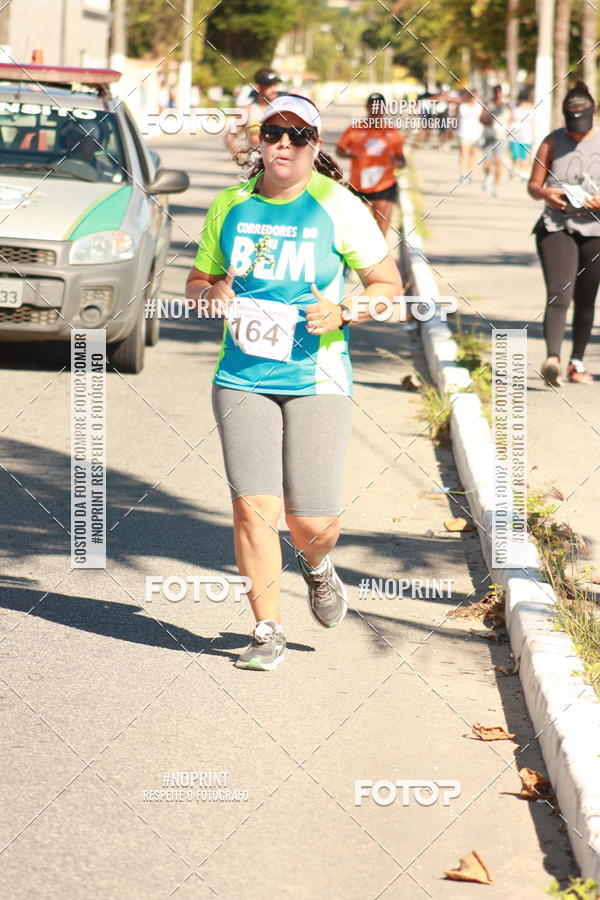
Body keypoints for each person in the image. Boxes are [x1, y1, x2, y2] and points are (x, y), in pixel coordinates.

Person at [186, 93, 403, 670]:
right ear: (260, 141)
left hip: (317, 378)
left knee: (312, 524)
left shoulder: (339, 205)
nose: (284, 144)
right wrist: (212, 293)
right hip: (241, 377)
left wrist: (345, 311)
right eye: (275, 134)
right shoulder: (229, 204)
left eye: (298, 136)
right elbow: (198, 279)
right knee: (252, 509)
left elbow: (387, 286)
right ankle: (265, 630)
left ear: (314, 147)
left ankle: (317, 566)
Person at [528, 81, 600, 385]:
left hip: (595, 229)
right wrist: (546, 194)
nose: (576, 134)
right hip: (557, 226)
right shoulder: (552, 141)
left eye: (581, 130)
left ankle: (577, 362)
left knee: (586, 300)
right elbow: (533, 185)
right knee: (559, 292)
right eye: (572, 129)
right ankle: (553, 359)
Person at [336, 92, 406, 235]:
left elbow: (402, 160)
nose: (375, 111)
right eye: (372, 106)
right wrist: (351, 154)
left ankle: (381, 256)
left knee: (381, 234)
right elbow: (339, 150)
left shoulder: (393, 132)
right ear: (367, 107)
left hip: (384, 186)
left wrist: (397, 162)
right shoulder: (354, 128)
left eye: (378, 107)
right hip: (358, 185)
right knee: (356, 231)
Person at [225, 68, 282, 161]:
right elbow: (230, 135)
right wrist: (233, 147)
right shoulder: (248, 110)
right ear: (258, 87)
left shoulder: (282, 110)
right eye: (269, 85)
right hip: (255, 163)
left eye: (275, 85)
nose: (274, 89)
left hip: (277, 162)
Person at [480, 84, 510, 196]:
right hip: (489, 137)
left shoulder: (507, 106)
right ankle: (488, 176)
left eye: (499, 92)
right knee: (486, 164)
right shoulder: (488, 105)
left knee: (499, 162)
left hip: (501, 138)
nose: (498, 94)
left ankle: (496, 186)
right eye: (496, 92)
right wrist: (488, 123)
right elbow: (481, 118)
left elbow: (510, 120)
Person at [457, 88, 483, 182]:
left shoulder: (479, 107)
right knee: (464, 154)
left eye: (476, 97)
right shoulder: (462, 106)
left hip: (476, 134)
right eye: (472, 96)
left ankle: (470, 174)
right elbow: (457, 118)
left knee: (473, 155)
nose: (474, 98)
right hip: (463, 133)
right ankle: (463, 173)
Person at [508, 87, 534, 181]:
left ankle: (523, 172)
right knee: (515, 154)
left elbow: (533, 123)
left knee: (524, 155)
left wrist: (534, 136)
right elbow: (510, 119)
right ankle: (514, 169)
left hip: (527, 134)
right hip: (515, 133)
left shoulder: (531, 108)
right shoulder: (514, 107)